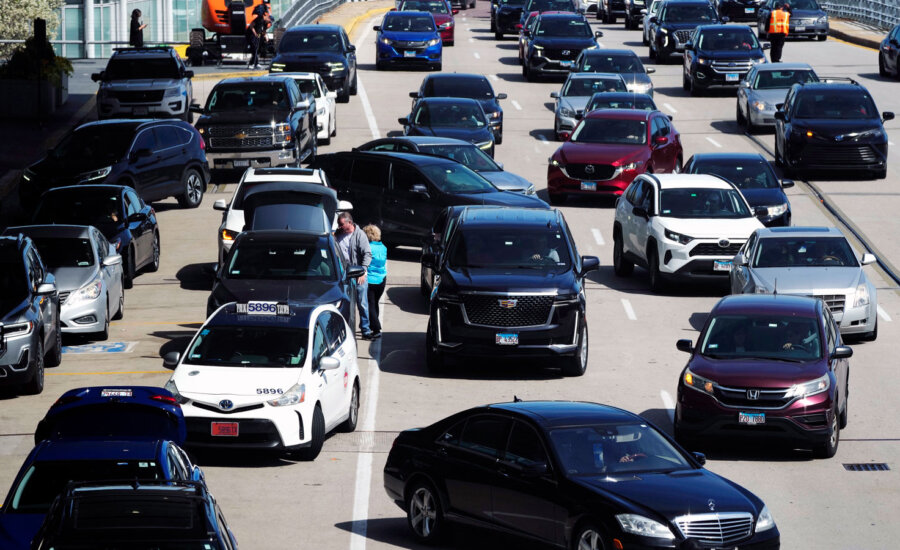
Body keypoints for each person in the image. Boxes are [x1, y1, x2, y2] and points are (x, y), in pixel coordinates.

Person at [335, 212, 374, 339]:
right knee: (345, 303)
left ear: (349, 223)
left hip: (358, 274)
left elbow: (367, 254)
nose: (339, 226)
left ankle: (365, 330)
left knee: (362, 304)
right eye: (338, 224)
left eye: (341, 224)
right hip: (344, 275)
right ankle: (346, 329)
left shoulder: (359, 235)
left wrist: (363, 271)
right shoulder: (338, 234)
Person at [363, 224, 387, 339]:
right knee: (375, 302)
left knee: (370, 304)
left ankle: (376, 328)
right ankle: (373, 324)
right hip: (382, 279)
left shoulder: (368, 247)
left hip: (371, 280)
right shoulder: (383, 247)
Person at [246, 0, 269, 69]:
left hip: (258, 35)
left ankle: (253, 63)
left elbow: (263, 31)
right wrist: (255, 34)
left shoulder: (265, 23)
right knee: (255, 49)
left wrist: (265, 36)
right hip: (252, 36)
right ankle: (254, 63)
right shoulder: (258, 19)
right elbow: (251, 26)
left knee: (257, 49)